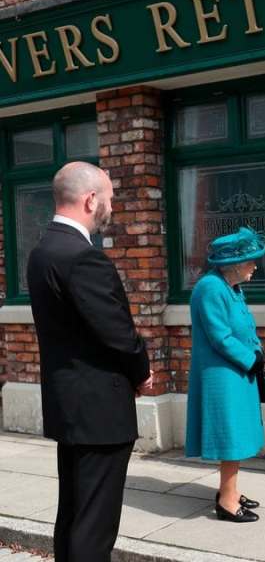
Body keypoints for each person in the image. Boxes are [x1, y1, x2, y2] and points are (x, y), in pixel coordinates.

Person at [27, 161, 152, 562]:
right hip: (99, 410)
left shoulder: (42, 250)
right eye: (110, 198)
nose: (111, 207)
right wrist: (142, 370)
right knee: (94, 526)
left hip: (71, 406)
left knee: (74, 516)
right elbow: (116, 330)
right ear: (90, 199)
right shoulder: (82, 257)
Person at [184, 227, 265, 523]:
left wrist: (256, 352)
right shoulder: (210, 288)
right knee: (230, 437)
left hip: (237, 372)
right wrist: (251, 359)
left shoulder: (231, 286)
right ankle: (227, 502)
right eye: (250, 261)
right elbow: (220, 336)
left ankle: (228, 490)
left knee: (238, 434)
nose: (255, 267)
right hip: (223, 376)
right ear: (233, 264)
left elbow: (243, 324)